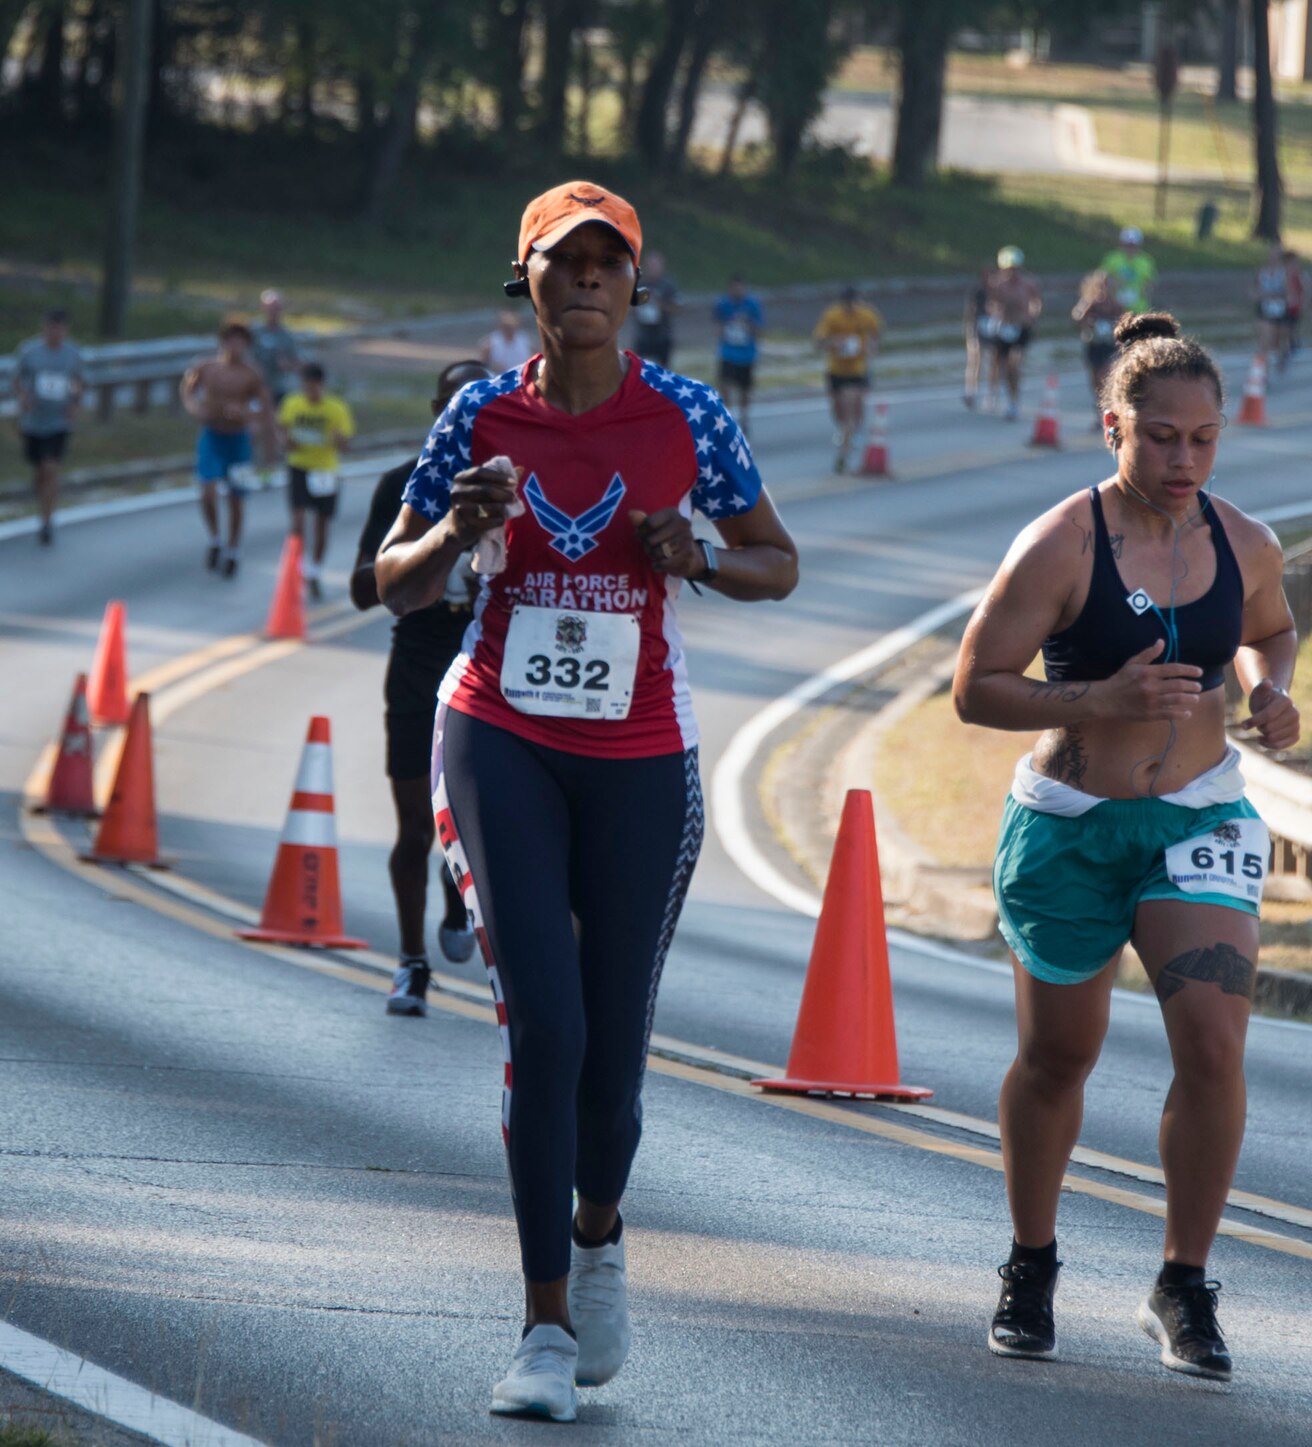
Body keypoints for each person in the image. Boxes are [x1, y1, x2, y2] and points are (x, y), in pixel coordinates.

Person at [372, 180, 799, 1422]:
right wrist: (451, 531)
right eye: (563, 267)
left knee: (611, 1059)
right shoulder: (480, 414)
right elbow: (391, 588)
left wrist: (702, 558)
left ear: (633, 287)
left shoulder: (689, 416)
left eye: (607, 267)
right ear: (531, 285)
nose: (586, 286)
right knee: (543, 1032)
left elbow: (779, 560)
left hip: (639, 755)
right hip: (499, 732)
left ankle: (599, 1233)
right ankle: (544, 1325)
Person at [953, 311, 1300, 1384]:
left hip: (1198, 814)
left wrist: (1269, 688)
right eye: (1160, 437)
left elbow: (1268, 626)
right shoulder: (1060, 544)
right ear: (1113, 427)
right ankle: (1030, 1261)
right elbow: (973, 688)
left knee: (1212, 1043)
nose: (1182, 458)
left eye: (1201, 438)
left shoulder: (1241, 542)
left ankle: (1182, 1284)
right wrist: (1097, 695)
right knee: (1060, 1055)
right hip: (1068, 823)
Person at [349, 359, 490, 1015]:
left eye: (480, 404)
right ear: (436, 412)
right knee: (414, 828)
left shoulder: (522, 485)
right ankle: (410, 966)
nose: (464, 417)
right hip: (417, 662)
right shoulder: (401, 485)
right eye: (452, 405)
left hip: (489, 668)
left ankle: (460, 889)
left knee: (480, 825)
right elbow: (362, 586)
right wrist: (425, 553)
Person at [180, 321, 275, 576]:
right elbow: (188, 389)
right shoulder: (206, 368)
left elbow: (263, 409)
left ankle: (233, 550)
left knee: (236, 498)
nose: (236, 346)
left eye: (241, 341)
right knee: (207, 492)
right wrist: (195, 408)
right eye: (231, 340)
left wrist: (248, 417)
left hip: (238, 443)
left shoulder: (251, 375)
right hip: (212, 437)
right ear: (223, 342)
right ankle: (215, 539)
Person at [277, 363, 355, 599]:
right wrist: (285, 441)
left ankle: (315, 570)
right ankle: (296, 567)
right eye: (307, 386)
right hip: (299, 466)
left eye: (315, 387)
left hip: (325, 470)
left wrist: (339, 439)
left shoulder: (336, 408)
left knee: (322, 522)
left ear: (322, 385)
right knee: (298, 521)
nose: (311, 391)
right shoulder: (292, 404)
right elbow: (281, 429)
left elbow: (347, 445)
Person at [12, 307, 86, 546]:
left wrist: (75, 403)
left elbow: (81, 381)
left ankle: (47, 521)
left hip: (59, 421)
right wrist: (24, 396)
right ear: (44, 327)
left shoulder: (73, 354)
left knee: (50, 467)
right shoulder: (29, 352)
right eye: (51, 327)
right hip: (34, 421)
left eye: (59, 328)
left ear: (65, 330)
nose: (55, 332)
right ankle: (41, 498)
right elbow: (16, 379)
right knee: (39, 470)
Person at [814, 284, 883, 473]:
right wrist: (833, 343)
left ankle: (843, 454)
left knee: (850, 411)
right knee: (838, 411)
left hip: (857, 370)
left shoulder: (867, 314)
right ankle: (847, 434)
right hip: (836, 370)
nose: (851, 308)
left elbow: (876, 332)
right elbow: (818, 341)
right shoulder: (832, 315)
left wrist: (871, 346)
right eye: (847, 304)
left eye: (854, 303)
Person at [986, 246, 1042, 422]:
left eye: (1015, 269)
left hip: (1021, 327)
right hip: (1004, 327)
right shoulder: (997, 284)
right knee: (997, 362)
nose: (1012, 273)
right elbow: (990, 304)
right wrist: (997, 312)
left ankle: (1014, 400)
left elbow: (1036, 302)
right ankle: (994, 393)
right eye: (1009, 269)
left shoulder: (1028, 284)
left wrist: (1032, 315)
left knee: (1014, 363)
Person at [252, 289, 301, 485]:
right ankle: (255, 465)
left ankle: (272, 467)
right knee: (256, 428)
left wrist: (286, 364)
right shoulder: (255, 332)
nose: (274, 312)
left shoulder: (286, 336)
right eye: (270, 308)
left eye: (277, 308)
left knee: (276, 428)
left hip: (279, 388)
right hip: (257, 389)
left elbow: (297, 361)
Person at [713, 273, 763, 430]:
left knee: (744, 390)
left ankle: (744, 416)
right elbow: (718, 324)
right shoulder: (723, 304)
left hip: (746, 354)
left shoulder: (752, 305)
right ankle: (727, 417)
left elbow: (759, 328)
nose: (737, 291)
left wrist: (746, 324)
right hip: (728, 352)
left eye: (740, 288)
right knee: (724, 384)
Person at [1072, 270, 1123, 399]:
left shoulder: (1116, 305)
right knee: (1095, 376)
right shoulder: (1091, 303)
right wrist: (1088, 323)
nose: (1104, 290)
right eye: (1101, 286)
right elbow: (1077, 318)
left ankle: (1108, 400)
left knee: (1105, 373)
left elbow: (1123, 322)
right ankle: (1098, 405)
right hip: (1094, 343)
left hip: (1110, 344)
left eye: (1107, 286)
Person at [628, 250, 680, 367]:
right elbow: (628, 307)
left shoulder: (668, 285)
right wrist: (639, 306)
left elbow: (677, 308)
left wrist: (659, 305)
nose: (653, 268)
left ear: (662, 266)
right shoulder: (638, 284)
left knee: (664, 371)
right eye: (650, 265)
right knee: (639, 369)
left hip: (663, 335)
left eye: (655, 265)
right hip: (643, 335)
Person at [1101, 226, 1158, 315]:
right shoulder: (1112, 259)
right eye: (1127, 245)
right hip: (1115, 308)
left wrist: (1143, 292)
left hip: (1139, 309)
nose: (1130, 248)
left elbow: (1150, 284)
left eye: (1133, 245)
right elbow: (1103, 280)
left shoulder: (1146, 262)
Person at [1250, 243, 1290, 366]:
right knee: (1264, 341)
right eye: (1271, 255)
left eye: (1276, 255)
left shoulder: (1285, 273)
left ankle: (1282, 354)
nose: (1273, 258)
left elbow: (1289, 292)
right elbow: (1254, 290)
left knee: (1276, 341)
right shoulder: (1262, 272)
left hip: (1279, 310)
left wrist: (1277, 295)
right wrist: (1257, 295)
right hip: (1264, 309)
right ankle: (1263, 373)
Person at [965, 263, 998, 411]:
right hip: (978, 327)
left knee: (992, 362)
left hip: (993, 328)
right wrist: (969, 329)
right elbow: (970, 310)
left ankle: (991, 394)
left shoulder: (999, 291)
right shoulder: (978, 290)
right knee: (975, 360)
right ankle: (971, 391)